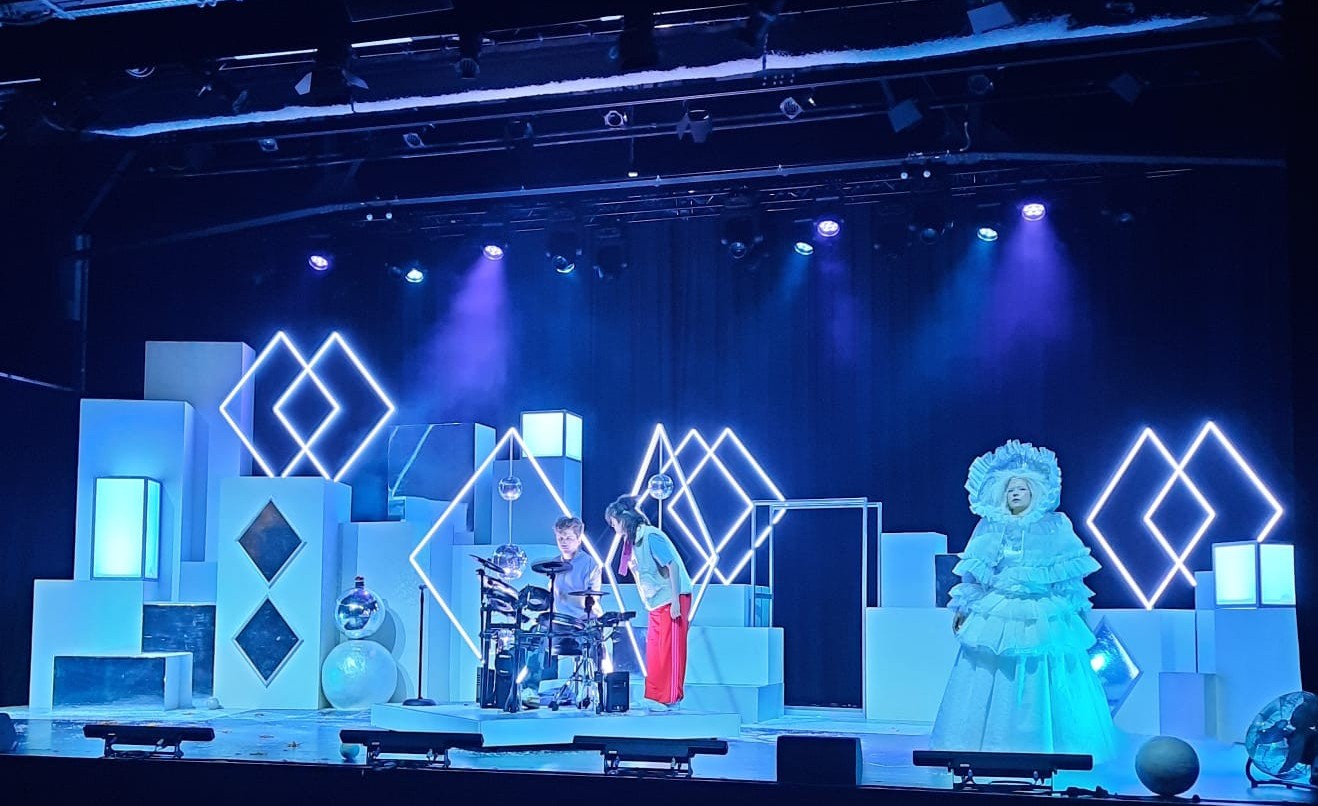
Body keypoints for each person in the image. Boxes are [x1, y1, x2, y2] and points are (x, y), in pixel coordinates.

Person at [929, 440, 1115, 759]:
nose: (1015, 493)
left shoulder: (1055, 526)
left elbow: (1068, 576)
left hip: (1042, 608)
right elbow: (976, 573)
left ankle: (1045, 741)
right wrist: (965, 607)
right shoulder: (989, 527)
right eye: (1011, 489)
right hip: (998, 608)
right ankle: (988, 742)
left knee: (1044, 667)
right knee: (990, 666)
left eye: (1022, 489)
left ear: (1035, 493)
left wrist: (1075, 610)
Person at [606, 495, 693, 711]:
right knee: (655, 651)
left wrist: (675, 601)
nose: (613, 527)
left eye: (613, 522)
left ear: (622, 519)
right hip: (656, 602)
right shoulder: (633, 542)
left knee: (670, 650)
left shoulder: (650, 536)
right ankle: (654, 695)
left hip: (672, 598)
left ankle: (670, 697)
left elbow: (672, 566)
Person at [519, 516, 603, 708]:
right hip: (558, 623)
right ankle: (530, 690)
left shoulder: (590, 564)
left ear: (579, 539)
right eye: (560, 538)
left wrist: (571, 598)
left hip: (581, 622)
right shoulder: (554, 565)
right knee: (536, 636)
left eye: (568, 538)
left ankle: (591, 690)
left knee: (595, 639)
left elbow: (593, 599)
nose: (564, 542)